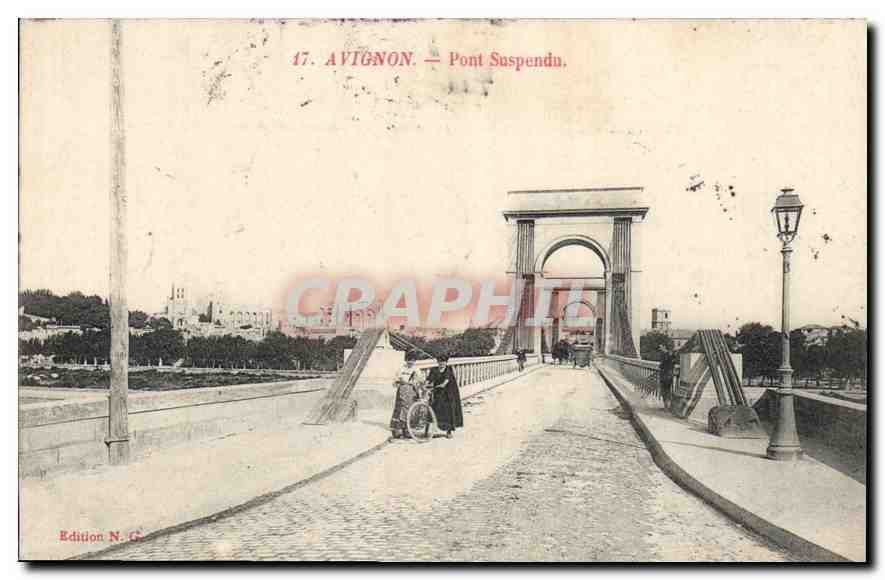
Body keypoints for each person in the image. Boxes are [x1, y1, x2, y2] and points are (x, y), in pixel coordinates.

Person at [389, 351, 426, 439]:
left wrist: (417, 384)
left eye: (412, 360)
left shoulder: (416, 370)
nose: (410, 362)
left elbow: (421, 381)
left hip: (412, 391)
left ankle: (407, 430)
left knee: (410, 410)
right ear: (406, 360)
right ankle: (397, 430)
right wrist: (399, 382)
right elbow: (395, 381)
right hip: (402, 391)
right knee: (400, 409)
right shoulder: (401, 369)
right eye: (409, 360)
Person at [426, 355, 463, 438]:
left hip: (448, 393)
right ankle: (428, 430)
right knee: (433, 408)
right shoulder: (434, 370)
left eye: (443, 362)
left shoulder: (448, 370)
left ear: (446, 362)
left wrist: (433, 387)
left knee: (448, 411)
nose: (441, 363)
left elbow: (444, 383)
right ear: (437, 362)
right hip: (438, 392)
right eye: (440, 362)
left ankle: (449, 431)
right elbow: (429, 379)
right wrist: (426, 384)